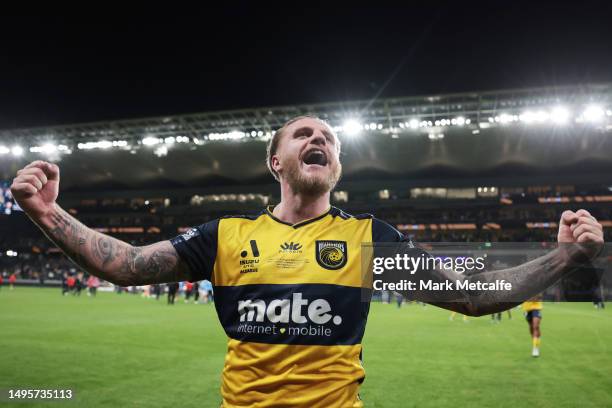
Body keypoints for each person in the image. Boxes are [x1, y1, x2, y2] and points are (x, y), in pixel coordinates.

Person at [10, 116, 605, 407]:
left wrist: (567, 253)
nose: (318, 137)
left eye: (328, 136)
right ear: (276, 161)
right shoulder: (226, 235)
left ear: (335, 164)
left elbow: (475, 294)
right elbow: (128, 264)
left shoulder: (366, 240)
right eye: (302, 133)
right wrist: (45, 213)